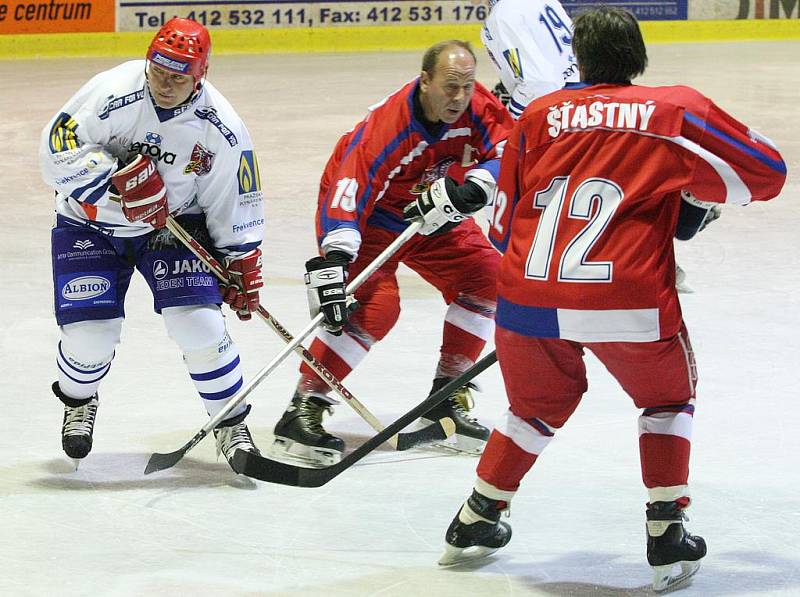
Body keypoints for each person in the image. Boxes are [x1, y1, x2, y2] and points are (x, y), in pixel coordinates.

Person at [439, 7, 786, 593]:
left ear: (579, 57)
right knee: (667, 401)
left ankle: (475, 518)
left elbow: (500, 226)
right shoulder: (672, 109)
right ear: (638, 56)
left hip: (527, 298)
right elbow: (767, 173)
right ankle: (666, 530)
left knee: (533, 409)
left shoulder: (540, 114)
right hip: (628, 300)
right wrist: (687, 190)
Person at [269, 40, 514, 466]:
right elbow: (350, 188)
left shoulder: (478, 105)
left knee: (486, 278)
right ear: (425, 82)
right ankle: (302, 408)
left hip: (431, 208)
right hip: (369, 218)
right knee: (375, 307)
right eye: (450, 86)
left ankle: (445, 396)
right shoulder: (389, 127)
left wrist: (480, 182)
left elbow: (510, 149)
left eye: (467, 86)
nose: (460, 98)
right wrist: (336, 259)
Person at [40, 18, 266, 469]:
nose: (164, 84)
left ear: (200, 73)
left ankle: (229, 421)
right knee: (90, 340)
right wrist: (113, 184)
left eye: (178, 76)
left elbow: (233, 195)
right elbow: (55, 146)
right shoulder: (112, 90)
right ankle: (78, 400)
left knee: (199, 326)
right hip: (89, 225)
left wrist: (240, 258)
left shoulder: (222, 126)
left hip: (172, 229)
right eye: (158, 71)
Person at [481, 0, 579, 119]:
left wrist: (510, 120)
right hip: (587, 98)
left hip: (564, 111)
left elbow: (536, 85)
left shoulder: (502, 16)